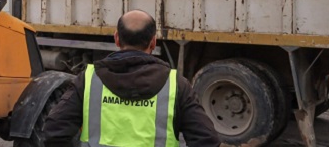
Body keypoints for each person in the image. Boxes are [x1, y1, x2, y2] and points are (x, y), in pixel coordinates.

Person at [43, 10, 221, 147]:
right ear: (153, 42)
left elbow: (54, 132)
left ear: (117, 39)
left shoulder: (89, 80)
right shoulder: (176, 85)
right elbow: (207, 140)